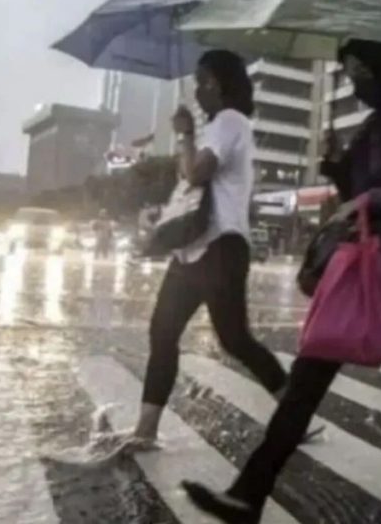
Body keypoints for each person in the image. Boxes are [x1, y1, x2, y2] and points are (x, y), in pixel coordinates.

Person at [182, 39, 381, 524]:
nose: (355, 83)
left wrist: (380, 197)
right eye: (350, 73)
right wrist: (337, 167)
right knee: (306, 379)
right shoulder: (371, 127)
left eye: (362, 72)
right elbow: (354, 196)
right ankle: (247, 497)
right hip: (357, 270)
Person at [120, 50, 288, 447]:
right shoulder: (217, 126)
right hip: (192, 247)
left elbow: (196, 172)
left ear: (218, 83)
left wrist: (185, 134)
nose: (197, 91)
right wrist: (188, 137)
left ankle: (296, 413)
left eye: (203, 81)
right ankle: (145, 430)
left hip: (220, 246)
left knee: (234, 339)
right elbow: (188, 174)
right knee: (163, 332)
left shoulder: (230, 121)